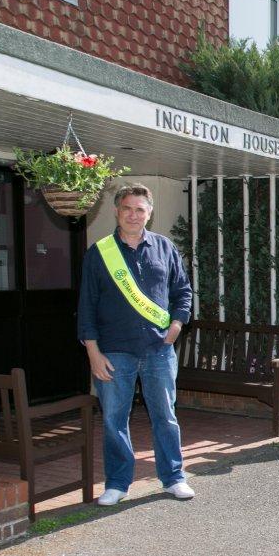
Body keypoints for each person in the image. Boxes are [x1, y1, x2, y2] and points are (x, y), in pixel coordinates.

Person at [78, 184, 195, 505]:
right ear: (116, 212)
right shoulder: (99, 253)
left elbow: (182, 291)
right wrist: (92, 352)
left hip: (159, 350)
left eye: (140, 209)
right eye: (127, 208)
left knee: (166, 416)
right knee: (115, 420)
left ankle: (173, 477)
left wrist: (176, 324)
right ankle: (117, 483)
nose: (133, 214)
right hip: (114, 351)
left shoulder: (165, 248)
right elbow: (86, 305)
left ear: (149, 213)